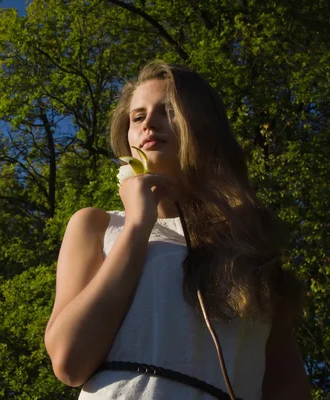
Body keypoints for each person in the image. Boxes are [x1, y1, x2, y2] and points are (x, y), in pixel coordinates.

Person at [44, 61, 311, 399]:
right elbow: (69, 361)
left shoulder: (251, 242)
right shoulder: (97, 225)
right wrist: (138, 225)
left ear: (204, 127)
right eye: (137, 117)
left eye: (168, 111)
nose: (149, 123)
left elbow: (287, 384)